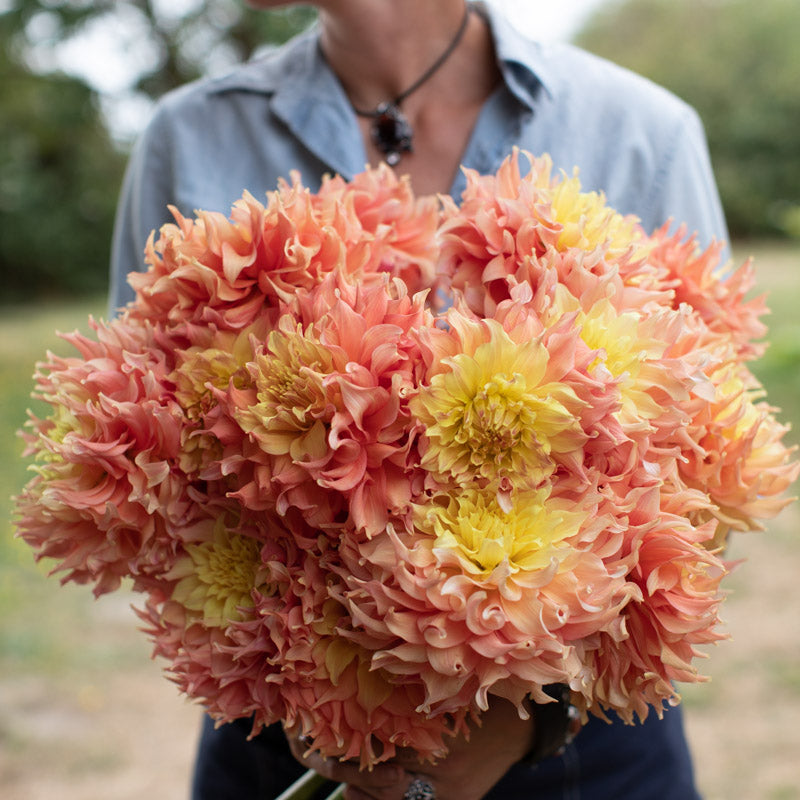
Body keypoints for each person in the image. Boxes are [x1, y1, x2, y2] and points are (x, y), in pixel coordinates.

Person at [110, 2, 728, 798]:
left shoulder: (641, 130)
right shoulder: (187, 133)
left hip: (580, 753)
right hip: (286, 735)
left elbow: (708, 466)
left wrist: (541, 713)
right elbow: (143, 444)